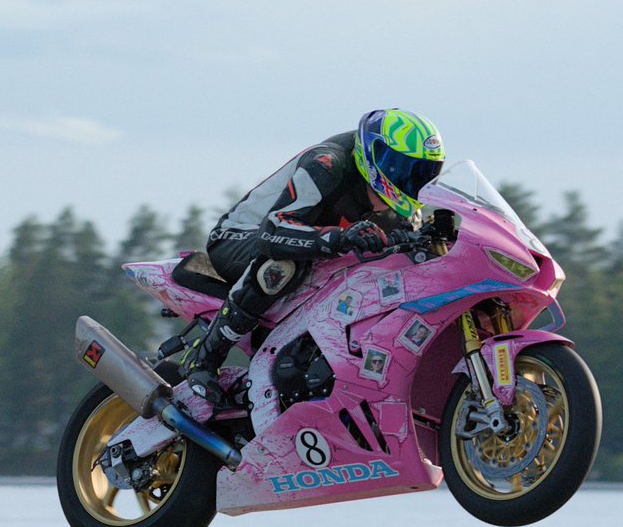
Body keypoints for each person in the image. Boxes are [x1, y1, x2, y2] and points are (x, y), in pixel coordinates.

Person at [179, 108, 445, 404]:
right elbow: (273, 232)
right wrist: (340, 237)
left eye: (422, 173)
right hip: (240, 237)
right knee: (283, 264)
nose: (410, 180)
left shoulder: (405, 210)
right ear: (375, 154)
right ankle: (205, 356)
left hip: (310, 249)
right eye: (403, 168)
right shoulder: (327, 163)